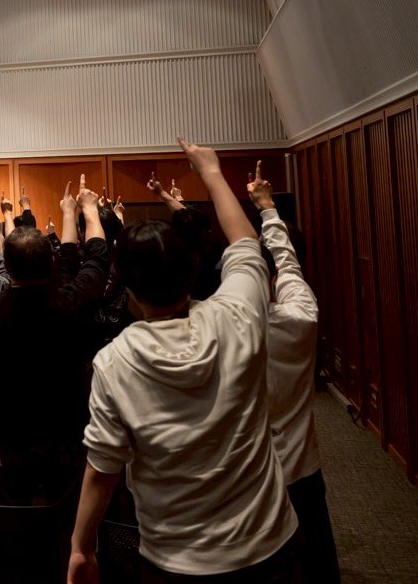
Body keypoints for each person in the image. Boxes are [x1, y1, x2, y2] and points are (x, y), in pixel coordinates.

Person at [68, 138, 300, 583]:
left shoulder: (114, 362)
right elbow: (245, 244)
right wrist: (210, 172)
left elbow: (103, 468)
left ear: (128, 291)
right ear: (192, 270)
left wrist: (81, 548)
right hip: (270, 545)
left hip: (175, 559)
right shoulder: (238, 315)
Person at [0, 185, 109, 504]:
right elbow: (97, 260)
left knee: (14, 515)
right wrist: (87, 210)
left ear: (7, 268)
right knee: (67, 513)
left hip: (9, 433)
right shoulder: (72, 302)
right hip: (68, 430)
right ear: (51, 262)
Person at [249, 164, 340, 583]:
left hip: (250, 470)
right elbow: (288, 263)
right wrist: (267, 206)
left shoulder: (226, 331)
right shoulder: (302, 314)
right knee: (318, 556)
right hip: (302, 465)